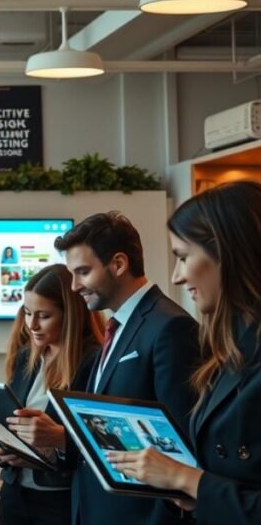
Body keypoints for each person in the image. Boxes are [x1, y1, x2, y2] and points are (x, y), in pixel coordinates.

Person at [108, 181, 261, 525]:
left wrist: (185, 479)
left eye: (182, 256)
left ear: (225, 252)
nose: (176, 276)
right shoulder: (229, 350)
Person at [51, 212, 199, 525]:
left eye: (83, 272)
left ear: (118, 264)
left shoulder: (170, 327)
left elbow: (180, 446)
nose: (75, 286)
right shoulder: (116, 326)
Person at [0, 264, 102, 525]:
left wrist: (50, 448)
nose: (31, 325)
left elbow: (99, 440)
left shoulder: (94, 362)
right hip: (15, 493)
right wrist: (1, 449)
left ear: (71, 315)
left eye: (43, 315)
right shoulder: (25, 358)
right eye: (27, 313)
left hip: (61, 499)